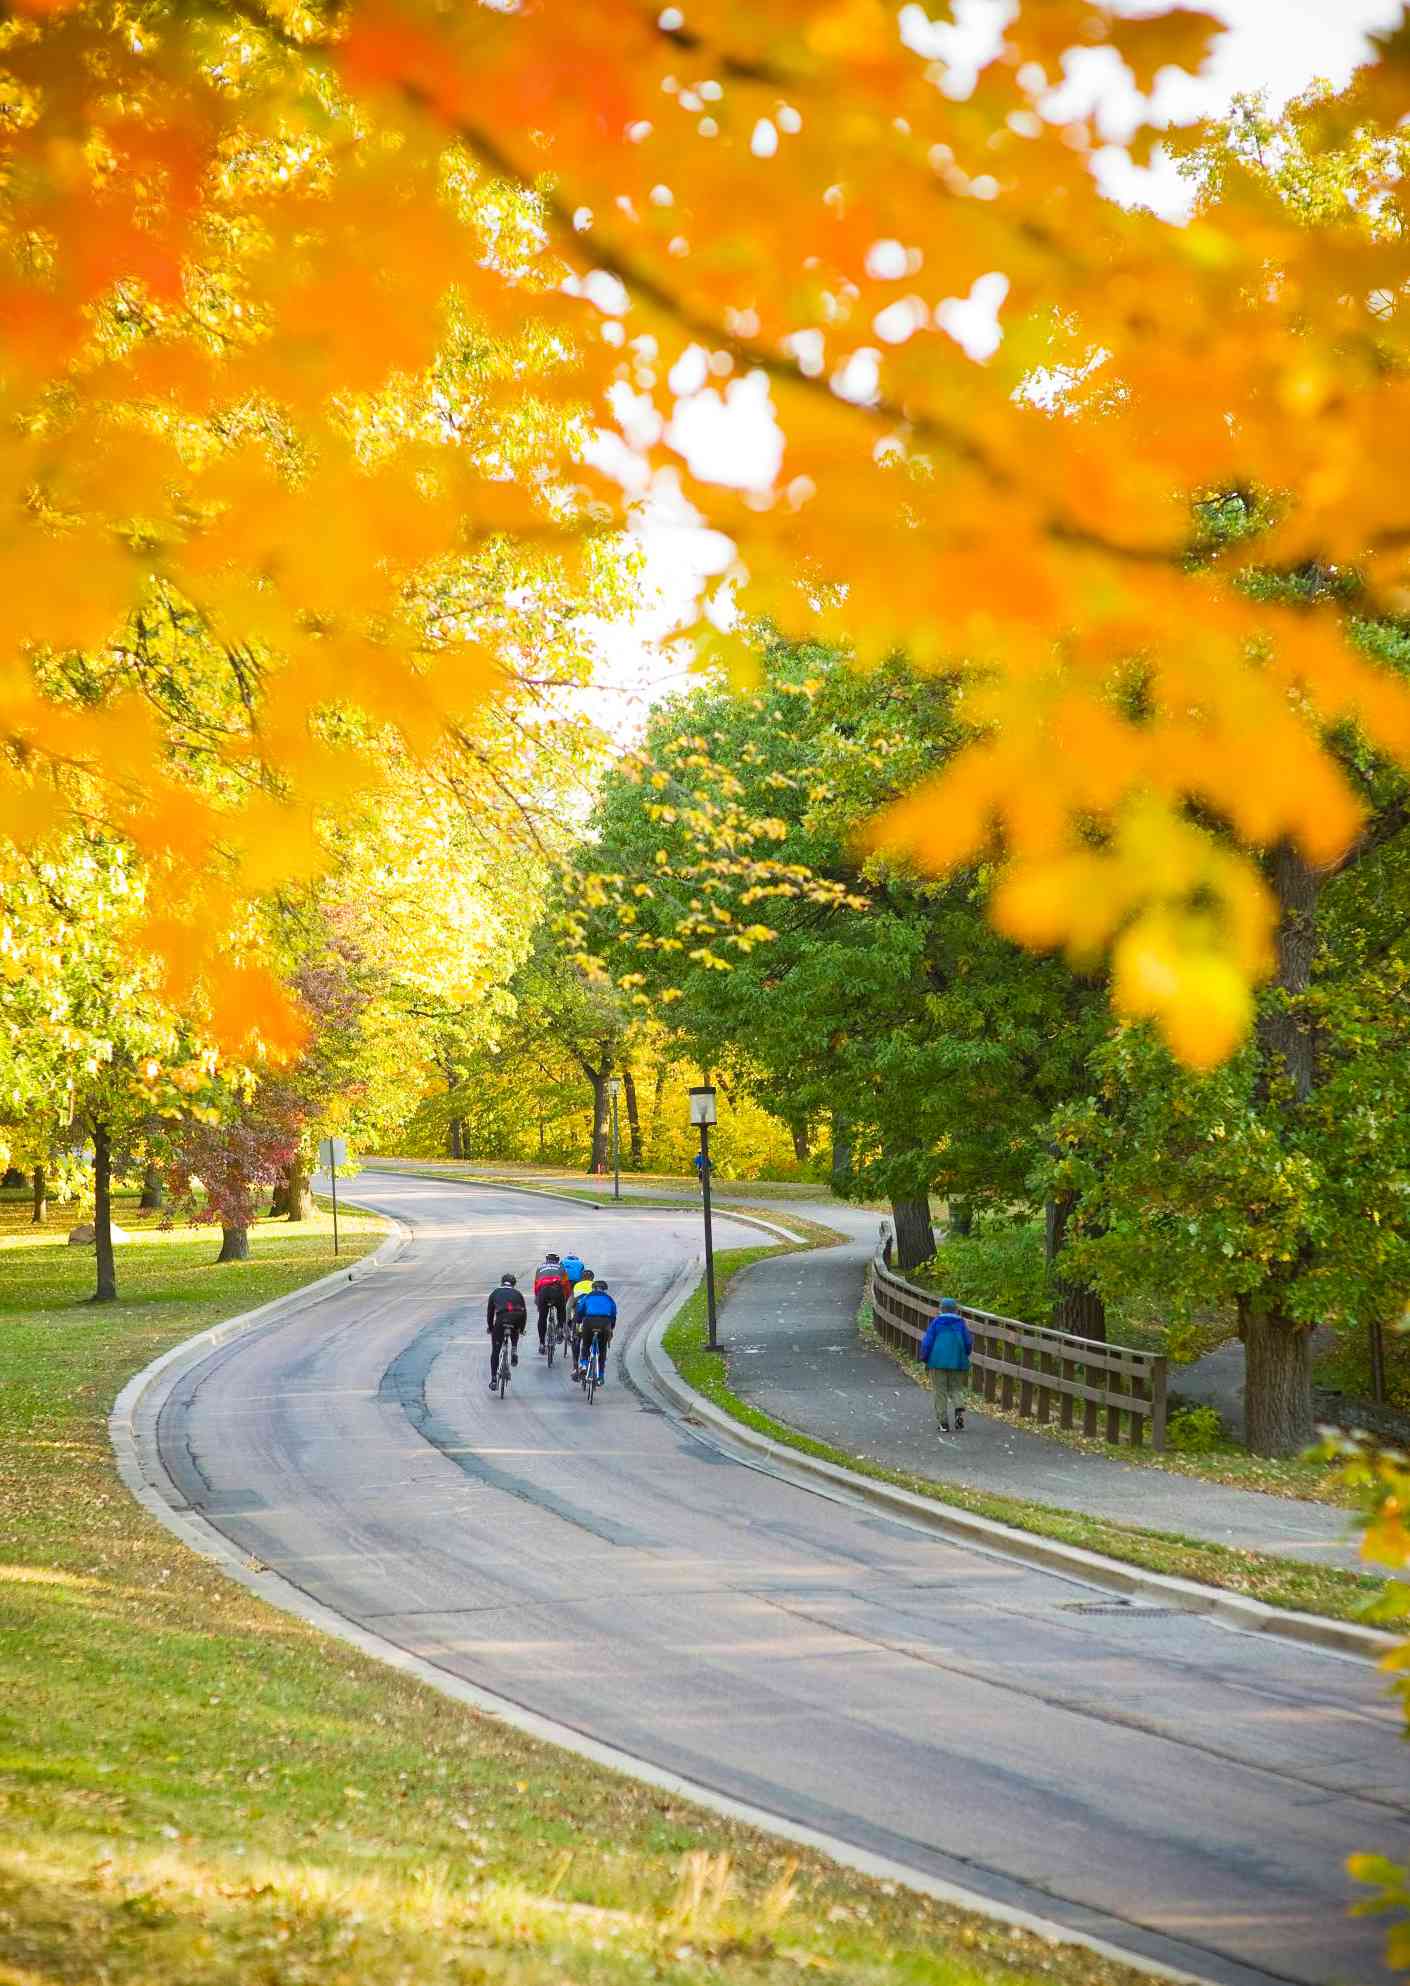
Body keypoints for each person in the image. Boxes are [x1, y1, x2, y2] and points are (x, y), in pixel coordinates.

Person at [920, 1297, 973, 1434]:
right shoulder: (961, 1324)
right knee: (955, 1387)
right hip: (957, 1360)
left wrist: (925, 1358)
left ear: (941, 1309)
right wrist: (964, 1354)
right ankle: (959, 1407)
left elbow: (927, 1343)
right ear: (956, 1310)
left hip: (937, 1361)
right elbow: (968, 1343)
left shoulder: (936, 1323)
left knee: (940, 1391)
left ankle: (943, 1423)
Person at [486, 1272, 527, 1390]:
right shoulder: (518, 1293)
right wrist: (522, 1328)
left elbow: (490, 1313)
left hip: (501, 1319)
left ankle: (494, 1379)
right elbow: (524, 1313)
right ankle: (514, 1349)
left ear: (501, 1282)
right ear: (514, 1284)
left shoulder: (495, 1293)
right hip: (517, 1318)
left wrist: (490, 1327)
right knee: (516, 1325)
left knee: (495, 1351)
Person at [577, 1277, 618, 1386]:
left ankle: (584, 1365)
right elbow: (613, 1314)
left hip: (589, 1321)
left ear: (593, 1288)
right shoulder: (609, 1299)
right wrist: (611, 1327)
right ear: (604, 1290)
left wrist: (578, 1320)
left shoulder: (587, 1297)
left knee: (586, 1344)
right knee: (602, 1348)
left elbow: (580, 1310)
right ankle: (600, 1376)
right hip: (605, 1323)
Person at [533, 1251, 571, 1353]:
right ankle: (559, 1328)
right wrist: (566, 1298)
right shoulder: (561, 1268)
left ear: (547, 1260)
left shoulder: (539, 1268)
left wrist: (537, 1300)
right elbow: (566, 1285)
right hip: (556, 1291)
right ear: (557, 1261)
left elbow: (536, 1286)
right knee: (561, 1309)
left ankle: (542, 1343)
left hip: (543, 1293)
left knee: (542, 1317)